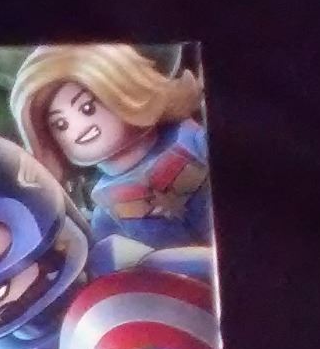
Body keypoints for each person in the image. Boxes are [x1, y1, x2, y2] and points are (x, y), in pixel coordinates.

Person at [11, 44, 210, 250]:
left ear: (125, 89)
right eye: (60, 125)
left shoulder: (191, 138)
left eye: (88, 107)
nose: (79, 128)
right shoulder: (106, 211)